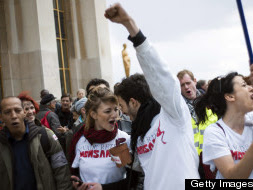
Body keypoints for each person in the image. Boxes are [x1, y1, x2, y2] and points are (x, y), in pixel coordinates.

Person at [105, 3, 199, 190]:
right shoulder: (139, 133)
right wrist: (127, 159)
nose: (122, 113)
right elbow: (152, 167)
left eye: (121, 106)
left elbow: (162, 77)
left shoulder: (172, 114)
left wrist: (132, 28)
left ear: (133, 102)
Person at [0, 96, 72, 189]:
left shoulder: (45, 136)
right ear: (1, 117)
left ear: (23, 113)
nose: (13, 116)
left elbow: (62, 172)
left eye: (17, 110)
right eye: (7, 112)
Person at [195, 72, 253, 179]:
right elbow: (233, 177)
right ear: (230, 96)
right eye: (244, 85)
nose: (250, 88)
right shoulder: (215, 132)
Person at [70, 87, 130, 189]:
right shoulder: (81, 140)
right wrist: (77, 183)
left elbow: (131, 181)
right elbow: (75, 172)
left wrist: (103, 188)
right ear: (94, 114)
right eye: (108, 111)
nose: (115, 115)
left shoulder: (121, 140)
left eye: (116, 109)